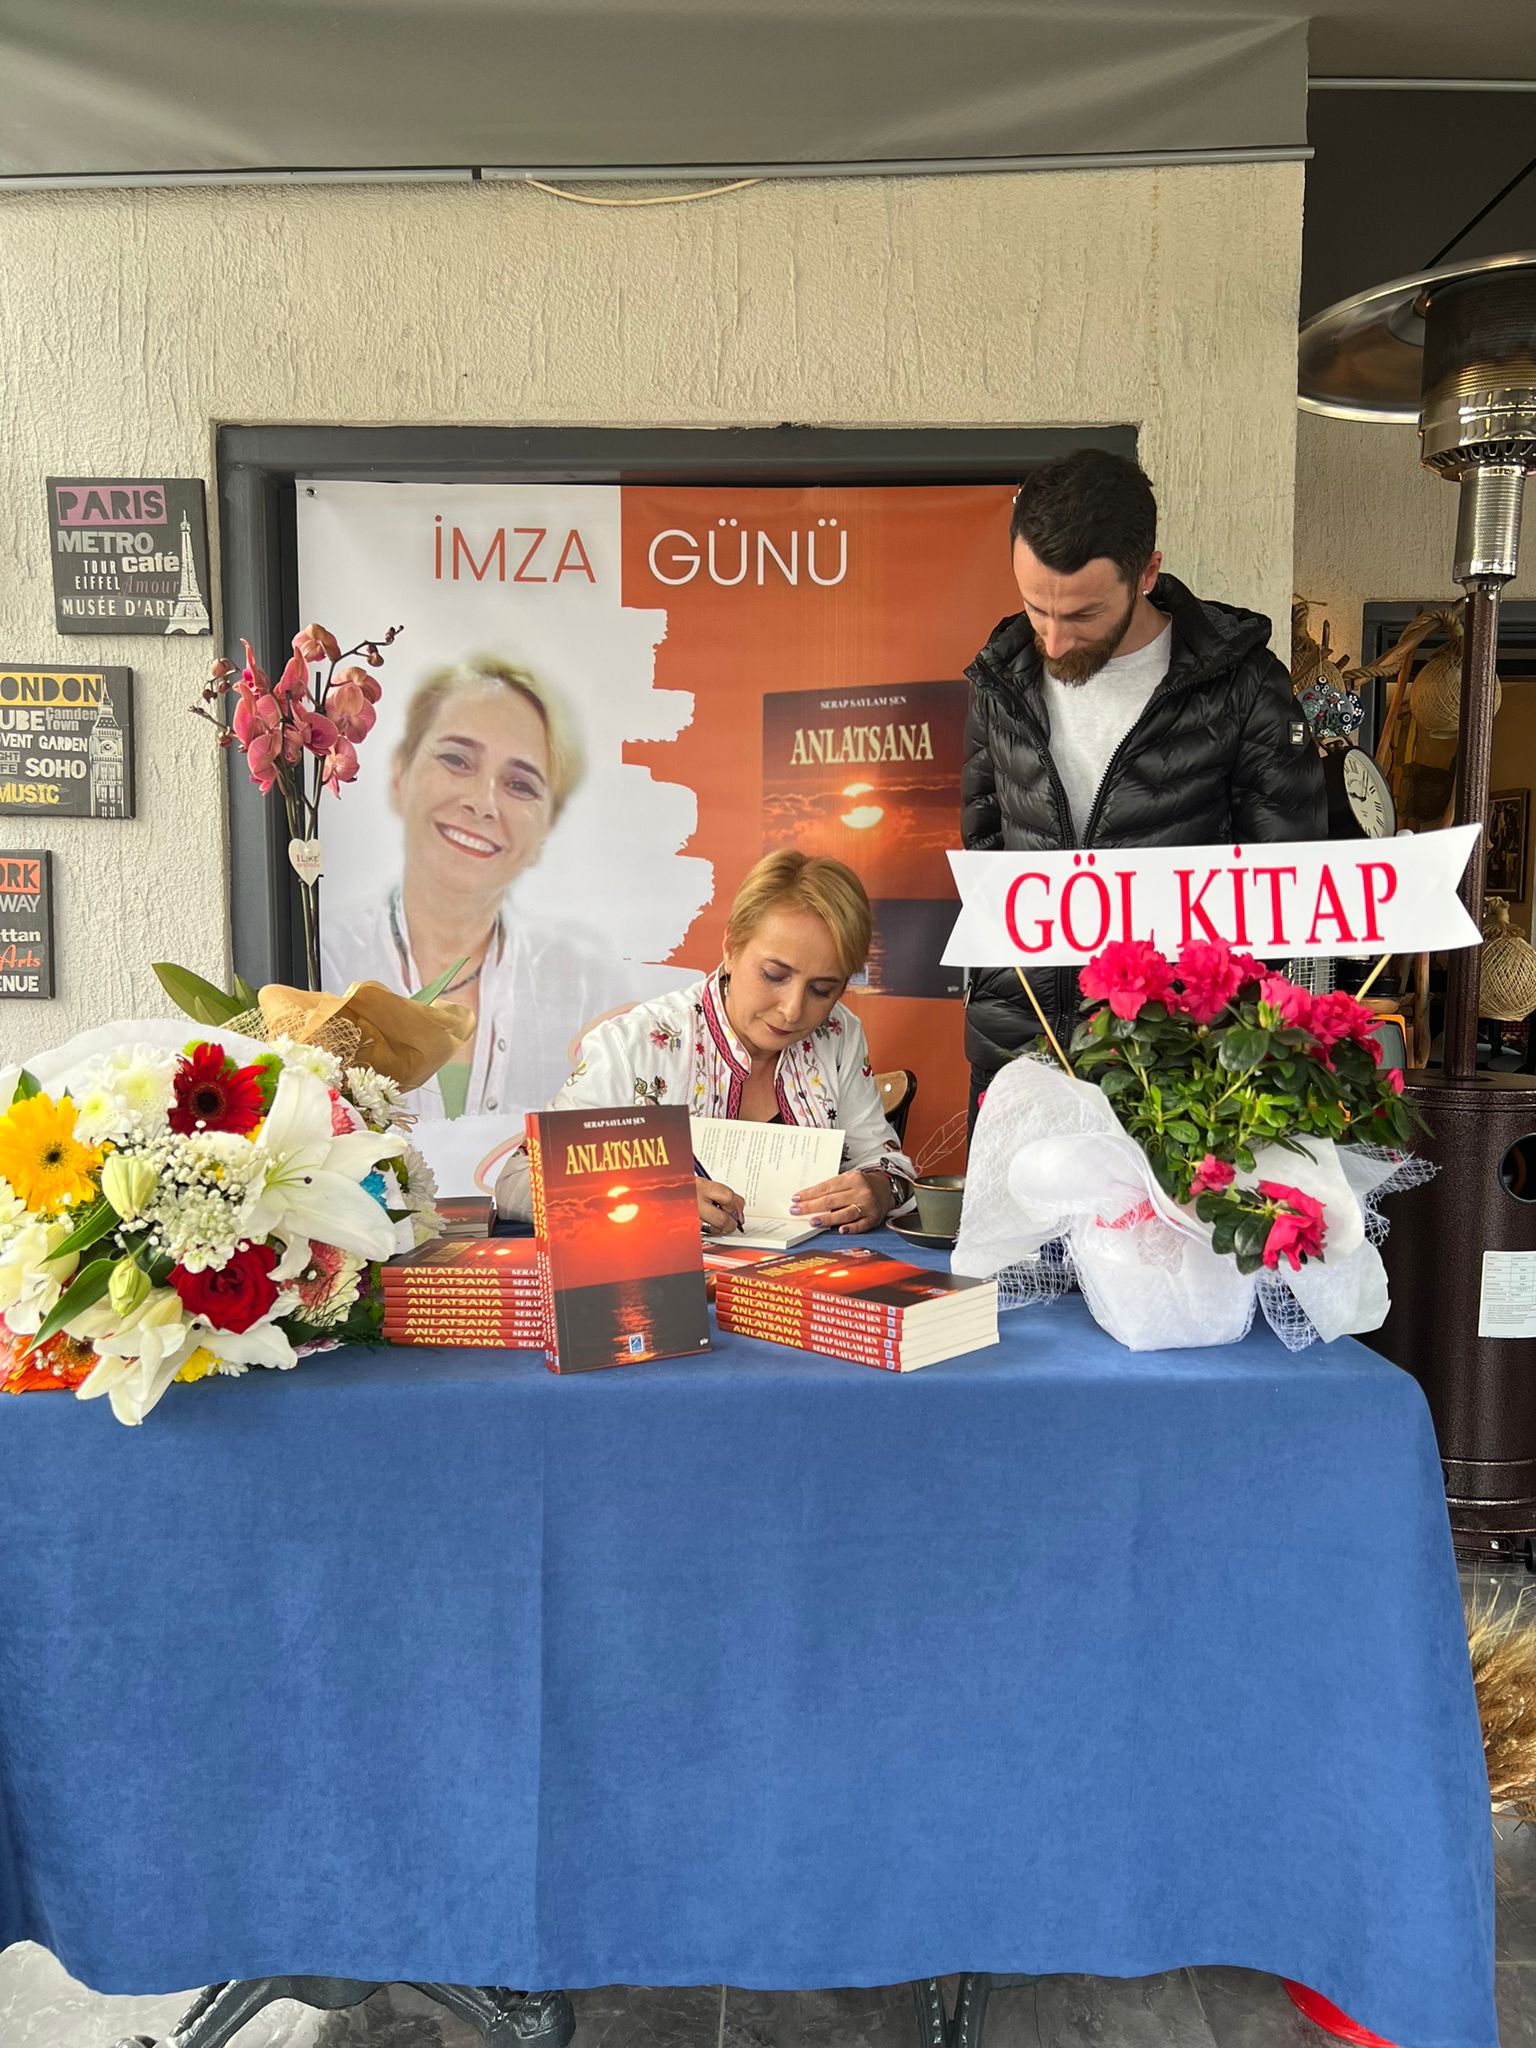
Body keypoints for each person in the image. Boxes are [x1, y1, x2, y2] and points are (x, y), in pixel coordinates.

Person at [961, 448, 1326, 1116]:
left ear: (1148, 574)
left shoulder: (1245, 687)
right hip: (1019, 1059)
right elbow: (986, 854)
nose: (1054, 640)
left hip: (1175, 1076)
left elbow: (1284, 897)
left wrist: (1208, 1046)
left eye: (1083, 614)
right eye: (1036, 607)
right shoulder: (1000, 676)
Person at [495, 851, 916, 1234]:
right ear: (731, 947)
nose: (792, 1010)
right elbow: (517, 1181)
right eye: (774, 975)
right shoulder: (635, 1045)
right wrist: (646, 1197)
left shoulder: (837, 1034)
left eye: (822, 990)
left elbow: (885, 1163)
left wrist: (881, 1190)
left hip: (806, 1282)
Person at [321, 654, 630, 1122]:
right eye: (456, 760)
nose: (483, 804)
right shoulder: (325, 959)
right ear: (400, 774)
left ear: (547, 828)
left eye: (520, 785)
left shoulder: (588, 985)